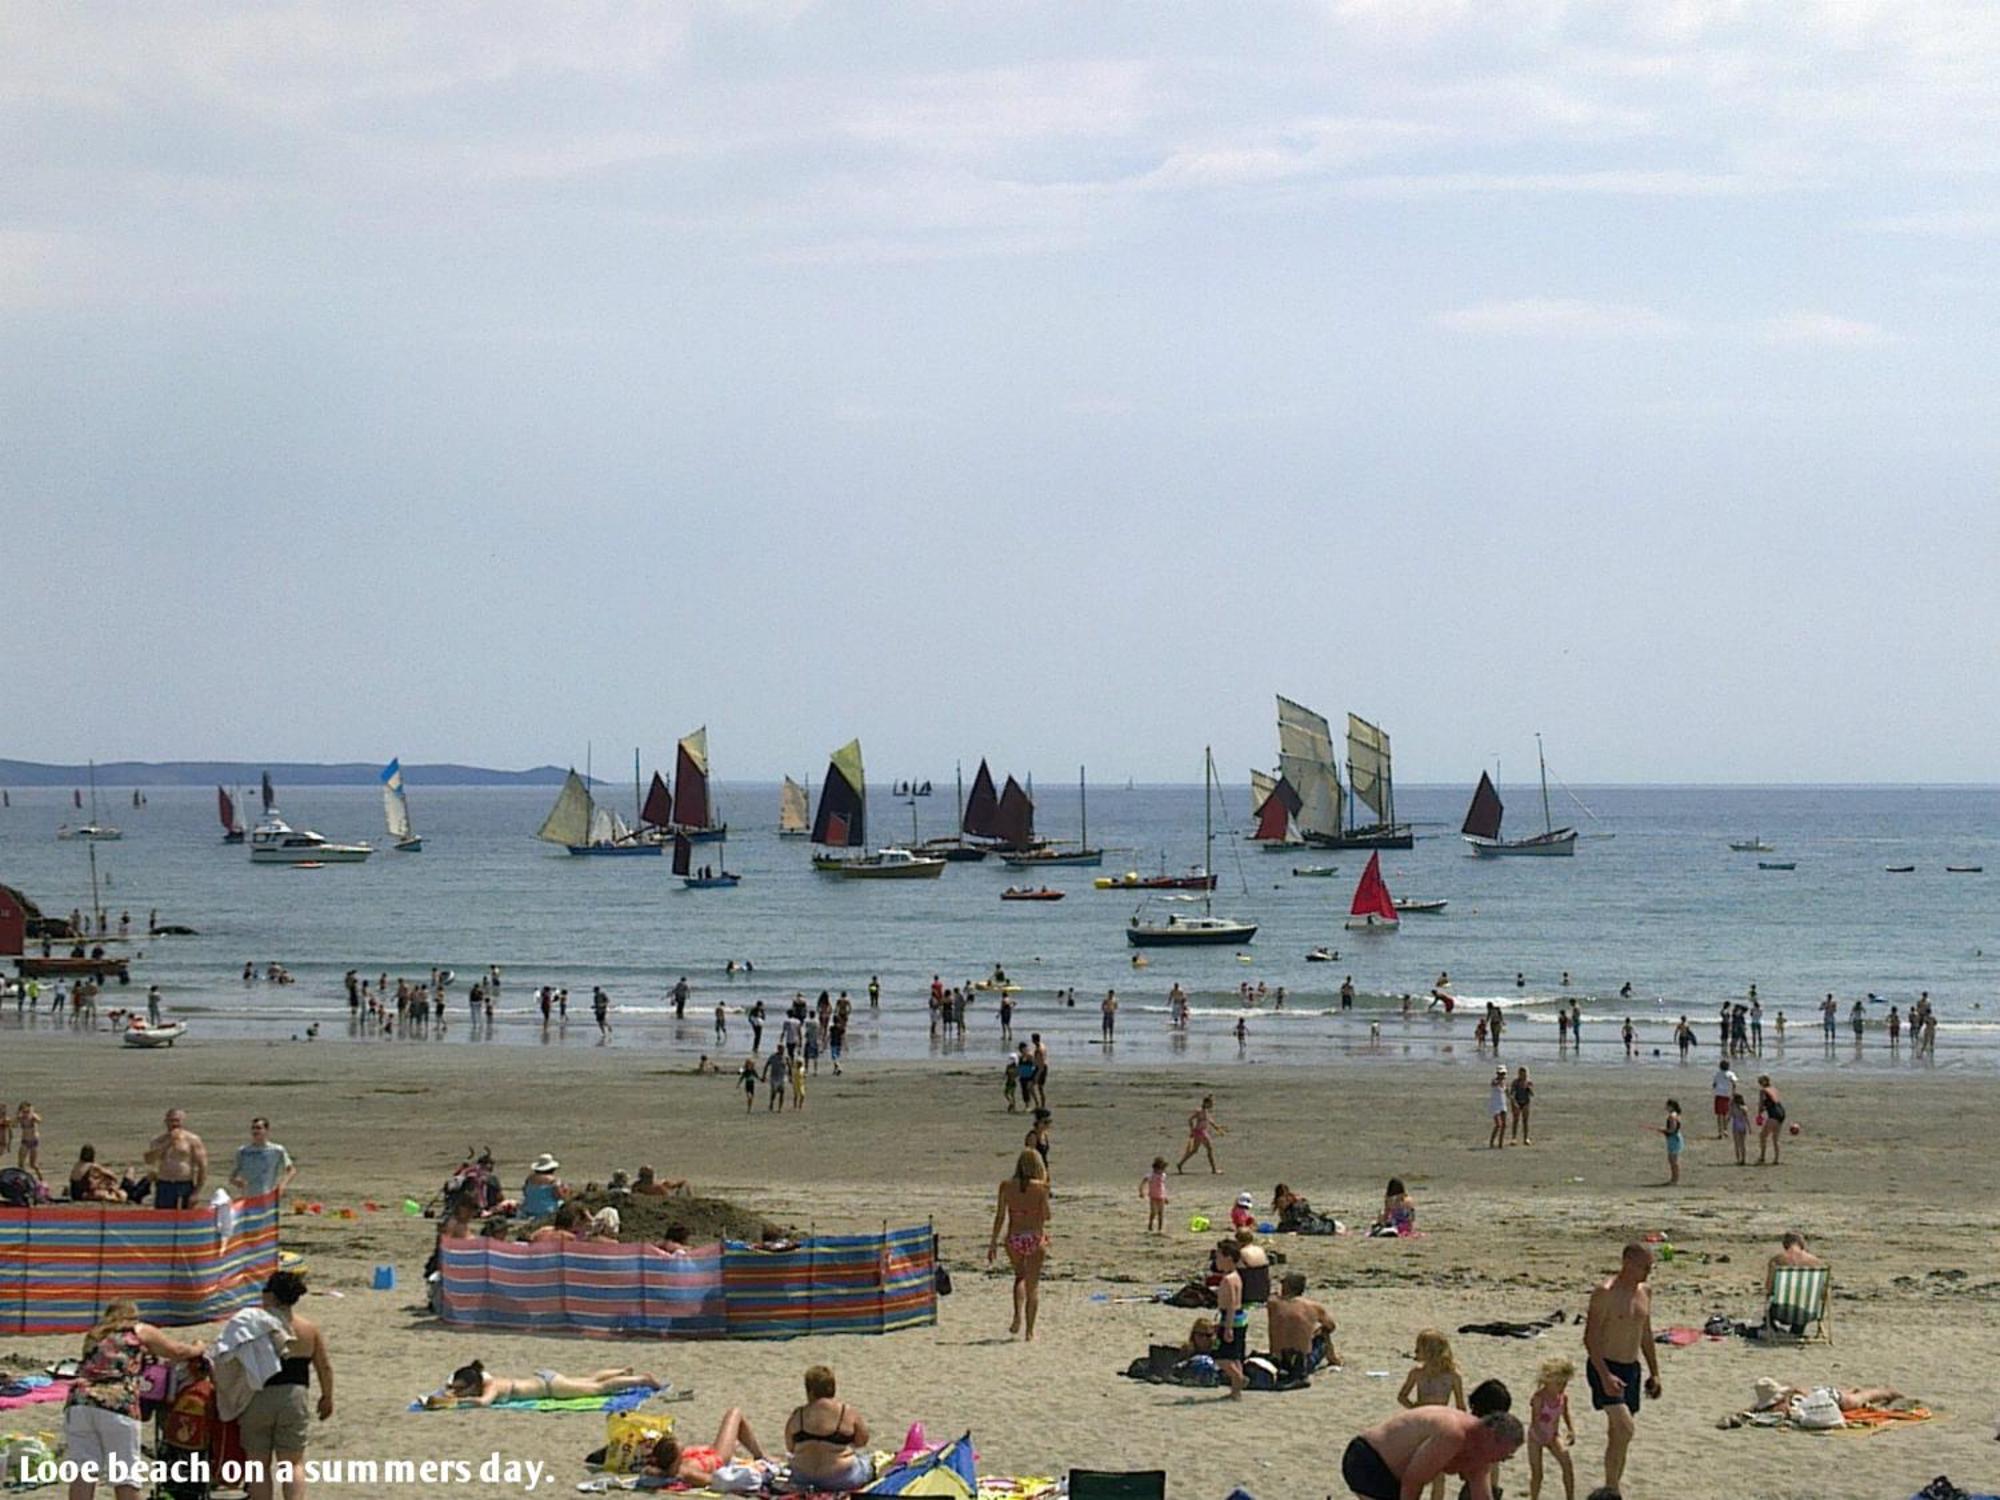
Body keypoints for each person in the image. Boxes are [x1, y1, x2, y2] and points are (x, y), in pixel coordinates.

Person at [63, 1301, 206, 1500]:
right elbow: (177, 1351)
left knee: (83, 1472)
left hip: (79, 1402)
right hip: (116, 1403)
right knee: (125, 1474)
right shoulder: (137, 1330)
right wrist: (198, 1347)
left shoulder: (95, 1335)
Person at [238, 1271, 333, 1500]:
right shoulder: (308, 1329)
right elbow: (324, 1367)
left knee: (258, 1464)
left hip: (258, 1395)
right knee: (293, 1463)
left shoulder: (254, 1326)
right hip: (294, 1396)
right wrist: (327, 1396)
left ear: (271, 1295)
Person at [1583, 1243, 1661, 1493]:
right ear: (1627, 1263)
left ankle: (1612, 1489)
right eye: (1644, 1267)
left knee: (1618, 1437)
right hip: (1604, 1365)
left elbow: (1645, 1333)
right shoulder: (1605, 1293)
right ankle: (1612, 1489)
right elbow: (1590, 1338)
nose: (1648, 1272)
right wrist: (1605, 1376)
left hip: (1631, 1369)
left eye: (1650, 1267)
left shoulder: (1645, 1292)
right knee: (1626, 1428)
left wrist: (1655, 1372)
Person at [1341, 1409, 1523, 1500]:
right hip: (1369, 1461)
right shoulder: (1454, 1434)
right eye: (1504, 1455)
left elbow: (1481, 1496)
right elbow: (1413, 1481)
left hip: (1394, 1479)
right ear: (1491, 1436)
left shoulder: (1481, 1452)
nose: (1502, 1461)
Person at [987, 1148, 1051, 1341]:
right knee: (1033, 1285)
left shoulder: (1006, 1186)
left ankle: (1017, 1316)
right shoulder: (1041, 1188)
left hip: (1014, 1238)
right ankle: (1029, 1332)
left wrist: (993, 1242)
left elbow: (1000, 1216)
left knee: (1019, 1277)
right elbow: (1046, 1216)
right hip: (1034, 1237)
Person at [783, 1366, 873, 1492]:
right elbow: (862, 1441)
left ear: (809, 1390)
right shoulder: (846, 1412)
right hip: (840, 1477)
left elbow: (790, 1447)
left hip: (803, 1477)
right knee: (866, 1459)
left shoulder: (798, 1415)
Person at [1399, 1331, 1467, 1490]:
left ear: (1430, 1351)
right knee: (1414, 1469)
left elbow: (1461, 1406)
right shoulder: (1416, 1373)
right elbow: (1402, 1396)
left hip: (1441, 1425)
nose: (1415, 1352)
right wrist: (1414, 1408)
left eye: (1418, 1349)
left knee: (1438, 1474)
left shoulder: (1453, 1376)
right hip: (1420, 1422)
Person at [427, 1362, 658, 1408]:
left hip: (552, 1388)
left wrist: (458, 1401)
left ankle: (641, 1380)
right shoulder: (485, 1377)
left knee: (598, 1388)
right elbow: (460, 1380)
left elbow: (484, 1402)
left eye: (462, 1388)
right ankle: (622, 1372)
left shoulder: (491, 1387)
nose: (458, 1391)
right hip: (547, 1379)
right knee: (590, 1380)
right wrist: (451, 1390)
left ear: (473, 1385)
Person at [647, 1408, 767, 1486]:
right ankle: (759, 1455)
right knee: (735, 1413)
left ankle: (736, 1446)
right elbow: (713, 1480)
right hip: (718, 1457)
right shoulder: (686, 1472)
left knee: (733, 1435)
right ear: (675, 1461)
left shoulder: (660, 1467)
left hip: (707, 1454)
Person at [1267, 1270, 1339, 1379]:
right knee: (1324, 1335)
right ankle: (1334, 1360)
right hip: (1302, 1363)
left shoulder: (1273, 1303)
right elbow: (1331, 1326)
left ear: (1287, 1286)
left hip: (1277, 1361)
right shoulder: (1314, 1307)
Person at [1526, 1355, 1577, 1500]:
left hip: (1553, 1435)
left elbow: (1566, 1413)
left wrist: (1571, 1429)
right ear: (1548, 1381)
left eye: (1565, 1383)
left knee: (1567, 1464)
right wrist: (1540, 1434)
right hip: (1536, 1437)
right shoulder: (1539, 1398)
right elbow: (1535, 1421)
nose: (1562, 1387)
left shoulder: (1562, 1397)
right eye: (1559, 1384)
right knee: (1537, 1474)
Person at [145, 1108, 207, 1209]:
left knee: (185, 1215)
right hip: (164, 1184)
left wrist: (196, 1192)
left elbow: (202, 1166)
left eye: (177, 1120)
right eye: (171, 1120)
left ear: (183, 1121)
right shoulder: (158, 1140)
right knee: (164, 1215)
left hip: (184, 1184)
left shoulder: (192, 1139)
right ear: (166, 1122)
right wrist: (169, 1142)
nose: (174, 1124)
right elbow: (149, 1160)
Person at [1211, 1238, 1249, 1398]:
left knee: (1220, 1356)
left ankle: (1239, 1378)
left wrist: (1228, 1327)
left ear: (1228, 1258)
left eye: (1218, 1257)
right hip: (1240, 1317)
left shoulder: (1228, 1279)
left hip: (1231, 1318)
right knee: (1235, 1356)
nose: (1216, 1261)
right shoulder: (1235, 1276)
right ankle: (1236, 1392)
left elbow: (1232, 1303)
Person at [229, 1117, 298, 1200]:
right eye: (253, 1128)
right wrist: (236, 1181)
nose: (255, 1131)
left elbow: (291, 1170)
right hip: (248, 1198)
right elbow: (232, 1176)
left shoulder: (276, 1150)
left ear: (266, 1130)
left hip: (268, 1197)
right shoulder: (243, 1151)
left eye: (259, 1128)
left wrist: (282, 1185)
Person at [1764, 1230, 1824, 1299]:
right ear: (1802, 1244)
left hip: (1783, 1303)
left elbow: (1769, 1287)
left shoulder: (1776, 1260)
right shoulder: (1816, 1261)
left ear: (1785, 1245)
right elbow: (1822, 1290)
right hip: (1809, 1303)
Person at [1177, 1094, 1224, 1173]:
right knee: (1209, 1149)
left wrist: (1216, 1127)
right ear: (1205, 1103)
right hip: (1200, 1132)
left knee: (1194, 1150)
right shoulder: (1199, 1111)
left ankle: (1180, 1164)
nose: (1212, 1105)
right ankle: (1214, 1169)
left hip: (1200, 1132)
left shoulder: (1205, 1111)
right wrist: (1192, 1130)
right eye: (1210, 1103)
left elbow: (1209, 1120)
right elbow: (1190, 1119)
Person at [1755, 1074, 1787, 1164]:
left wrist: (1759, 1114)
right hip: (1781, 1112)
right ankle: (1776, 1159)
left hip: (1773, 1114)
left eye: (1760, 1082)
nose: (1759, 1083)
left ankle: (1762, 1157)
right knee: (1775, 1138)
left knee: (1762, 1136)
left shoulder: (1763, 1091)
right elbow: (1773, 1102)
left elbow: (1761, 1105)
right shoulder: (1774, 1089)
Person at [1140, 1156, 1169, 1233]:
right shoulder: (1151, 1175)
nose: (1162, 1170)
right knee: (1153, 1212)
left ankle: (1160, 1228)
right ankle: (1150, 1224)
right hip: (1153, 1196)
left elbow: (1163, 1186)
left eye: (1163, 1169)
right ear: (1155, 1168)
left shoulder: (1163, 1175)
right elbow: (1143, 1182)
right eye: (1160, 1168)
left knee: (1161, 1213)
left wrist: (1165, 1197)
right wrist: (1141, 1191)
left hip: (1161, 1196)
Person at [1710, 1058, 1736, 1138]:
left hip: (1719, 1095)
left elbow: (1714, 1084)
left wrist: (1715, 1087)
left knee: (1719, 1114)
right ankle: (1725, 1129)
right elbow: (1734, 1083)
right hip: (1727, 1095)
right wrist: (1733, 1092)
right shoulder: (1731, 1074)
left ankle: (1720, 1132)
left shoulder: (1717, 1074)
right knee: (1725, 1113)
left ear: (1720, 1066)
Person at [1509, 1066, 1535, 1145]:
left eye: (1524, 1074)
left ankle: (1526, 1138)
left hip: (1526, 1103)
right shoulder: (1515, 1082)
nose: (1523, 1075)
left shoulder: (1528, 1082)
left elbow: (1532, 1094)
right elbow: (1512, 1094)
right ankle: (1514, 1138)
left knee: (1525, 1121)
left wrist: (1529, 1088)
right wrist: (1514, 1103)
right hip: (1517, 1102)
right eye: (1521, 1074)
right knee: (1516, 1120)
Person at [16, 1102, 42, 1177]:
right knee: (20, 1164)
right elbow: (13, 1125)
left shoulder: (33, 1117)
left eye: (27, 1111)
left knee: (33, 1164)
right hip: (25, 1141)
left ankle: (41, 1178)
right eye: (24, 1112)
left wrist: (32, 1115)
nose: (26, 1114)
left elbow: (39, 1120)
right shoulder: (21, 1118)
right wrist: (17, 1117)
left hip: (34, 1142)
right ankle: (23, 1178)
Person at [1660, 1099, 1683, 1185]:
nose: (1666, 1107)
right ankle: (1674, 1178)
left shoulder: (1672, 1116)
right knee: (1672, 1159)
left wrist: (1664, 1130)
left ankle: (1675, 1179)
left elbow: (1672, 1129)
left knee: (1673, 1160)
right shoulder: (1675, 1115)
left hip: (1674, 1139)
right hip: (1674, 1138)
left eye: (1668, 1106)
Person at [1728, 1091, 1751, 1165]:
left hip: (1736, 1124)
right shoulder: (1744, 1107)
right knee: (1742, 1144)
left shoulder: (1733, 1107)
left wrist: (1725, 1127)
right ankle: (1743, 1159)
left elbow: (1729, 1116)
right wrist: (1749, 1128)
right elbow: (1747, 1118)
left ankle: (1738, 1159)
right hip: (1743, 1125)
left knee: (1736, 1144)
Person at [1487, 1069, 1508, 1149]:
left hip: (1503, 1105)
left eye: (1503, 1074)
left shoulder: (1504, 1083)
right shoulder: (1494, 1081)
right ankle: (1491, 1142)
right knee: (1498, 1124)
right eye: (1500, 1073)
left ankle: (1500, 1143)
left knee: (1504, 1125)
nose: (1502, 1075)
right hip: (1495, 1105)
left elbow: (1507, 1093)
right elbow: (1493, 1084)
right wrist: (1499, 1081)